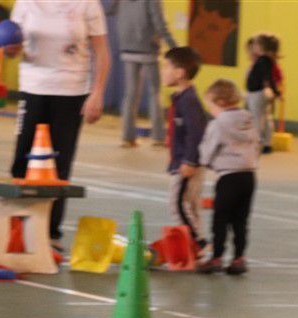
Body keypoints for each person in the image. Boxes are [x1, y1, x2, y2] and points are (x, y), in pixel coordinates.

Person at [3, 0, 110, 249]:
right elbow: (14, 46)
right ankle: (16, 226)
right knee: (22, 159)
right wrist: (9, 49)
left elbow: (102, 51)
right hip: (33, 88)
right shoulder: (26, 2)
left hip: (71, 91)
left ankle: (50, 234)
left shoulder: (87, 4)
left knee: (59, 164)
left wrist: (97, 93)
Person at [196, 79, 259, 275]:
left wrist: (203, 161)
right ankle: (239, 257)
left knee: (220, 218)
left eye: (211, 106)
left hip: (228, 176)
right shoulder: (248, 120)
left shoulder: (218, 124)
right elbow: (257, 143)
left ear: (221, 102)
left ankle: (216, 257)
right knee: (241, 219)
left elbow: (209, 147)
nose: (211, 110)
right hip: (249, 176)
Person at [106, 0, 176, 147]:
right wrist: (174, 48)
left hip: (127, 47)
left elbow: (110, 12)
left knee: (130, 94)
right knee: (154, 93)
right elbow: (159, 22)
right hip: (148, 48)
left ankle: (127, 137)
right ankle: (157, 137)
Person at [161, 46, 208, 255]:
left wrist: (190, 161)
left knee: (177, 203)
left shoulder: (189, 101)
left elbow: (196, 133)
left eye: (166, 67)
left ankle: (198, 243)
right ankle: (198, 242)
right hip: (181, 159)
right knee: (189, 204)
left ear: (179, 73)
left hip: (187, 163)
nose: (163, 71)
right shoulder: (180, 98)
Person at [244, 34, 276, 154]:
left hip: (258, 93)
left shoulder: (264, 61)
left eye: (255, 46)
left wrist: (272, 89)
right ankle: (265, 142)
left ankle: (257, 142)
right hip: (255, 92)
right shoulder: (262, 61)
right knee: (262, 118)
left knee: (257, 119)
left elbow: (267, 78)